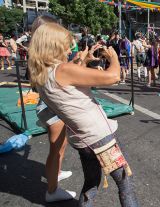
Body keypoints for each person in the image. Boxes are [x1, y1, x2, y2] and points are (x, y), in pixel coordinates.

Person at [28, 23, 139, 207]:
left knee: (90, 185)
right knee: (125, 184)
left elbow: (68, 82)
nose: (68, 49)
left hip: (82, 139)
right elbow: (113, 77)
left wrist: (83, 62)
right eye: (65, 44)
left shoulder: (42, 74)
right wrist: (114, 57)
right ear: (53, 45)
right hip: (101, 137)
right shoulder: (62, 70)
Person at [30, 15, 75, 203]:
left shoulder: (41, 58)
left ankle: (55, 175)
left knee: (60, 147)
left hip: (48, 106)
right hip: (51, 108)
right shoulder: (48, 63)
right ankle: (52, 190)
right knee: (56, 149)